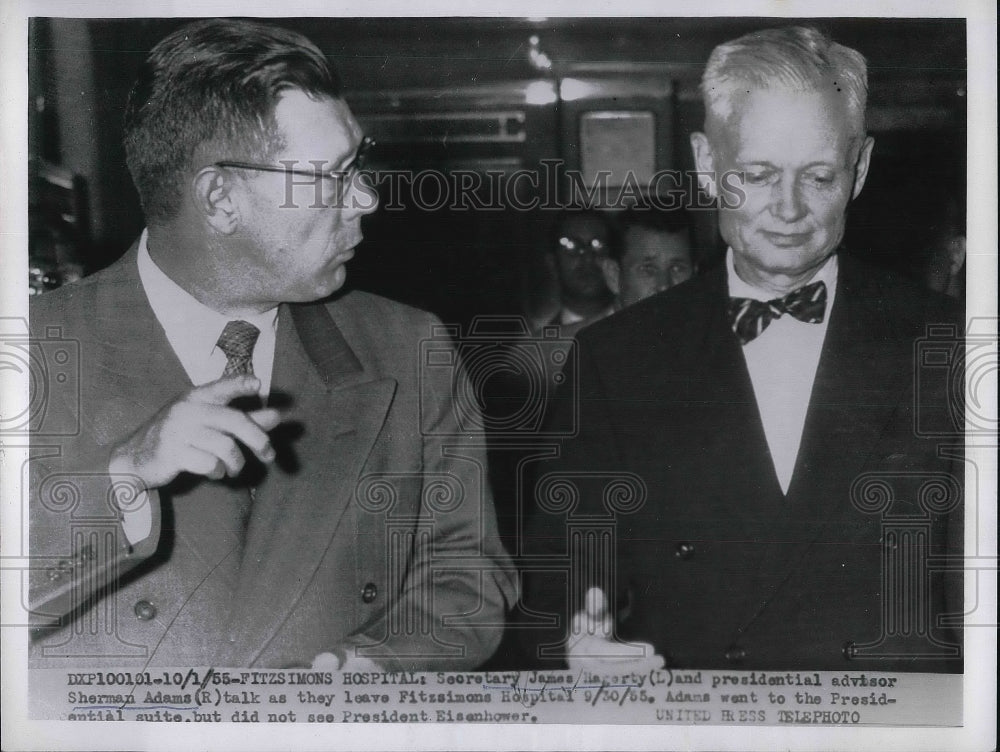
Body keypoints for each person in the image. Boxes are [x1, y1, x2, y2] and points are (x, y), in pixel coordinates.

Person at [28, 19, 515, 671]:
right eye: (332, 177)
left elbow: (465, 576)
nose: (365, 197)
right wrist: (124, 476)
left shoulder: (409, 349)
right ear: (221, 199)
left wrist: (379, 665)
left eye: (358, 165)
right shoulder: (32, 348)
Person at [523, 25, 962, 673]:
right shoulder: (614, 362)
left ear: (860, 168)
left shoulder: (950, 345)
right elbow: (559, 588)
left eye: (818, 176)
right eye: (757, 175)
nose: (788, 209)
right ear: (706, 164)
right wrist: (578, 641)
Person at [599, 208, 696, 310]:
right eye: (648, 269)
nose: (664, 286)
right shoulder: (595, 327)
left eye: (677, 269)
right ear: (613, 276)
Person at [543, 209, 616, 334]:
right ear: (553, 263)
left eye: (598, 245)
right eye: (572, 246)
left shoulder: (637, 332)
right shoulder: (539, 349)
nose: (588, 258)